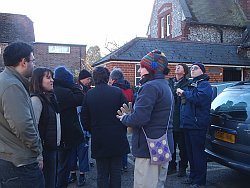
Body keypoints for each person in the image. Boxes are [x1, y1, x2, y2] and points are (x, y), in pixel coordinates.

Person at [116, 50, 174, 188]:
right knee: (158, 184)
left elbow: (140, 119)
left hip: (149, 148)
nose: (139, 71)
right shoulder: (165, 85)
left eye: (142, 67)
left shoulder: (149, 87)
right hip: (163, 145)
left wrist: (125, 117)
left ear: (151, 69)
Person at [0, 42, 44, 187]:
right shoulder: (12, 85)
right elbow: (22, 125)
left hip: (9, 160)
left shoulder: (5, 81)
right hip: (20, 164)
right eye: (33, 60)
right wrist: (37, 149)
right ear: (23, 62)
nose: (34, 64)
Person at [80, 67, 130, 188]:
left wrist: (93, 129)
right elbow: (126, 113)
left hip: (99, 138)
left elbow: (84, 119)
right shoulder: (117, 92)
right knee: (116, 173)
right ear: (108, 78)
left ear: (94, 79)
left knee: (102, 174)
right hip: (117, 137)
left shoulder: (89, 95)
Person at [176, 62, 213, 188]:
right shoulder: (192, 84)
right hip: (187, 124)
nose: (192, 70)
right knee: (190, 153)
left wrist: (184, 93)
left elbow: (199, 99)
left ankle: (200, 181)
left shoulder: (205, 85)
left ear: (202, 71)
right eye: (191, 68)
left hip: (197, 125)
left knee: (198, 154)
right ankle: (192, 176)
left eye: (195, 68)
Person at [53, 66, 85, 188]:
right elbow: (80, 98)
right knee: (63, 166)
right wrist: (73, 85)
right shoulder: (64, 92)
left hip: (55, 134)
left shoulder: (52, 90)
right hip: (65, 135)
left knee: (57, 164)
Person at [30, 67, 59, 188]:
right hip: (44, 151)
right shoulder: (36, 100)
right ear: (38, 80)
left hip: (51, 149)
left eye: (52, 77)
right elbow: (33, 129)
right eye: (48, 77)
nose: (52, 80)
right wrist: (38, 155)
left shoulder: (49, 98)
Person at [68, 69, 92, 186]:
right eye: (88, 79)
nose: (89, 81)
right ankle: (73, 174)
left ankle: (81, 175)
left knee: (81, 152)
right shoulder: (75, 90)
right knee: (74, 152)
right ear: (82, 78)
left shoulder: (88, 90)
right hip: (75, 126)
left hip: (81, 127)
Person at [109, 68, 134, 171]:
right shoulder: (129, 89)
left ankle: (116, 164)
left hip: (115, 117)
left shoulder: (113, 89)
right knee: (124, 140)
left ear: (114, 79)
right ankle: (124, 164)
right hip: (126, 117)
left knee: (114, 142)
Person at [168, 63, 189, 177]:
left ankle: (182, 168)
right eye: (176, 67)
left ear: (184, 71)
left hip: (181, 120)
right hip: (170, 119)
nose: (176, 68)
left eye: (179, 67)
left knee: (182, 148)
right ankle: (171, 167)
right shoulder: (169, 82)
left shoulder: (187, 83)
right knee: (171, 146)